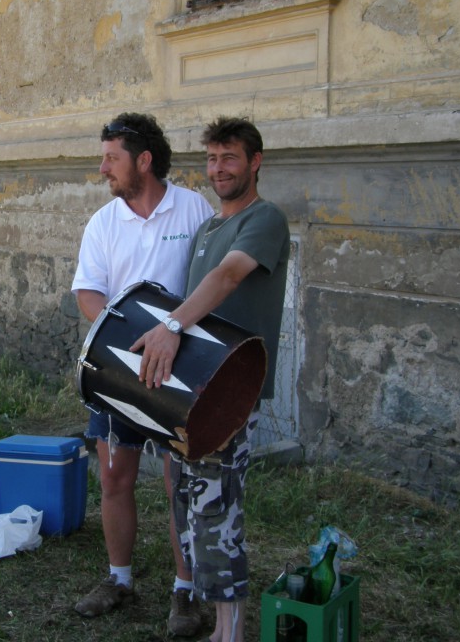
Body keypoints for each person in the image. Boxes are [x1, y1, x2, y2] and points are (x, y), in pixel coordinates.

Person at [132, 116, 290, 642]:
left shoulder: (263, 220)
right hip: (192, 388)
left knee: (218, 510)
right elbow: (190, 294)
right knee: (188, 505)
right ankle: (213, 618)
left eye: (230, 158)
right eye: (213, 158)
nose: (218, 169)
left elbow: (227, 277)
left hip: (231, 388)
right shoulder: (207, 228)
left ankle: (230, 633)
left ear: (255, 162)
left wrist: (170, 325)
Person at [72, 112, 215, 636]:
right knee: (114, 476)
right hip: (116, 371)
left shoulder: (194, 209)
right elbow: (88, 293)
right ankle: (118, 578)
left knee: (180, 483)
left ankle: (186, 592)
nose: (103, 167)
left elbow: (206, 287)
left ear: (144, 161)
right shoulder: (103, 222)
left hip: (180, 374)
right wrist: (120, 340)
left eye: (112, 158)